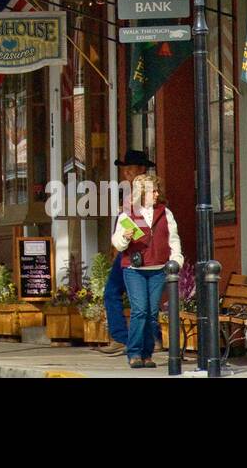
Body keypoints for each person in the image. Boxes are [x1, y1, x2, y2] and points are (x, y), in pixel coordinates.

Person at [112, 174, 183, 369]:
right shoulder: (128, 214)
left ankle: (147, 354)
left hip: (158, 269)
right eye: (153, 190)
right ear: (142, 194)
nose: (157, 193)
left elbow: (173, 239)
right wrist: (125, 237)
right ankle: (134, 353)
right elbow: (118, 244)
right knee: (140, 311)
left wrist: (176, 259)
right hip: (134, 270)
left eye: (156, 190)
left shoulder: (165, 213)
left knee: (152, 313)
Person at [96, 149, 153, 356]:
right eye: (125, 169)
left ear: (141, 169)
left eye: (130, 169)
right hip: (127, 248)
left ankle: (145, 337)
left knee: (144, 297)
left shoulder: (149, 190)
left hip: (143, 250)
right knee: (114, 292)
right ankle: (124, 337)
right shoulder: (131, 192)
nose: (126, 173)